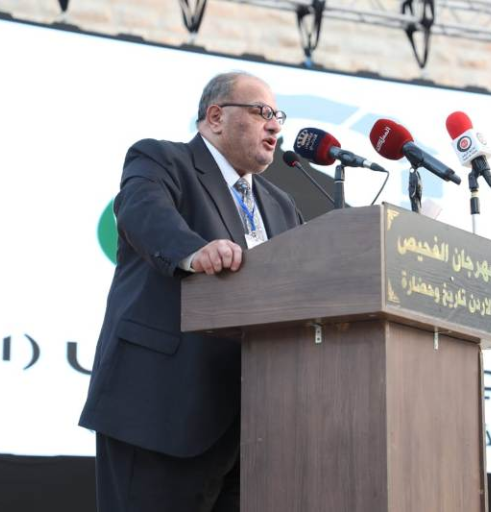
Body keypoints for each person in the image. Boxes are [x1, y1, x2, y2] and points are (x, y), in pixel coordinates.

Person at [79, 71, 303, 512]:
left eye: (279, 116)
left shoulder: (281, 204)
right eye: (262, 112)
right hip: (162, 410)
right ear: (215, 117)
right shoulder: (162, 160)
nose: (274, 125)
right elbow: (144, 213)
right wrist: (194, 251)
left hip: (253, 428)